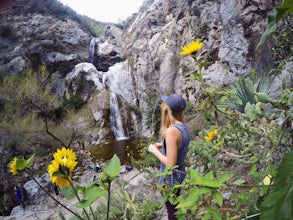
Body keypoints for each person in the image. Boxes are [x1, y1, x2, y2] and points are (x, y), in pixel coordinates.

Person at [148, 93, 190, 220]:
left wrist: (154, 151)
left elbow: (170, 163)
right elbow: (180, 144)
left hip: (169, 179)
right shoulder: (184, 126)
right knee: (176, 207)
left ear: (170, 110)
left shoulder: (172, 131)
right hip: (180, 174)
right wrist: (164, 145)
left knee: (172, 212)